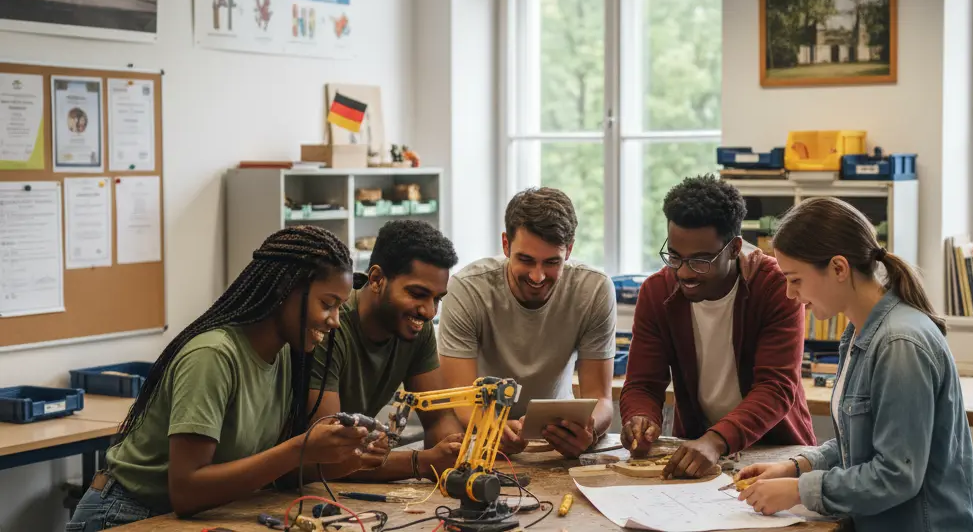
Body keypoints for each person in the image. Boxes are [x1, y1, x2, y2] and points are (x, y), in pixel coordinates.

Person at [66, 226, 378, 531]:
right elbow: (187, 492)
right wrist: (300, 449)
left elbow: (275, 471)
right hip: (127, 515)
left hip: (190, 515)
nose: (335, 321)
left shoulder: (286, 355)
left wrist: (344, 458)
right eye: (327, 304)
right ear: (285, 290)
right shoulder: (213, 355)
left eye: (339, 306)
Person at [736, 197, 973, 531]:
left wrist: (799, 491)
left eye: (795, 279)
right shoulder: (859, 333)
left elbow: (896, 476)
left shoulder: (899, 344)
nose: (788, 294)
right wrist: (796, 467)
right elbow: (860, 443)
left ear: (839, 268)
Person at [619, 175, 815, 480]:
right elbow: (643, 384)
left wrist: (716, 440)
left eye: (700, 260)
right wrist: (639, 417)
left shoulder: (776, 287)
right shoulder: (656, 292)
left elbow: (775, 388)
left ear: (734, 248)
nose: (684, 272)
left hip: (776, 455)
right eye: (674, 256)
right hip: (697, 453)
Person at [437, 187, 616, 459]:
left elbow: (601, 399)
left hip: (559, 445)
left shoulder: (594, 290)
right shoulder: (467, 289)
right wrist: (492, 427)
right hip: (485, 442)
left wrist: (589, 429)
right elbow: (462, 399)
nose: (537, 276)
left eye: (552, 262)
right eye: (526, 260)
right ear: (506, 244)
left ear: (569, 250)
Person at [307, 219, 466, 482]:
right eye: (417, 294)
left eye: (437, 299)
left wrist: (453, 454)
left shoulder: (416, 329)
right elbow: (329, 452)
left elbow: (439, 417)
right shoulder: (329, 329)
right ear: (377, 279)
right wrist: (422, 462)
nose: (428, 312)